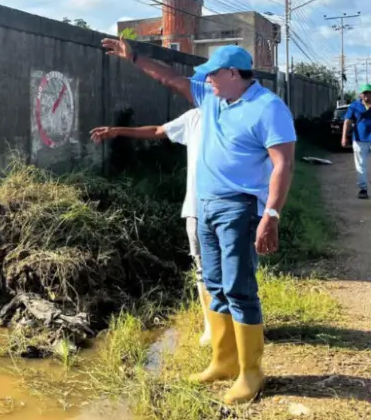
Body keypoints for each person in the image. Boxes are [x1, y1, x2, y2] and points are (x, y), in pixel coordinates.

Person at [100, 39, 296, 405]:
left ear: (233, 73)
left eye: (211, 75)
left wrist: (271, 214)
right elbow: (171, 79)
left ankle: (251, 372)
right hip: (205, 206)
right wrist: (136, 58)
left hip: (240, 208)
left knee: (240, 288)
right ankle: (223, 361)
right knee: (216, 285)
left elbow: (283, 164)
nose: (205, 82)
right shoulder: (213, 99)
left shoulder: (268, 108)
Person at [90, 104, 212, 347]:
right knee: (202, 271)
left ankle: (245, 325)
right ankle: (213, 327)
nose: (209, 86)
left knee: (235, 268)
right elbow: (158, 130)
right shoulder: (195, 116)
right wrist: (116, 131)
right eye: (206, 81)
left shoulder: (242, 115)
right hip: (196, 210)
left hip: (232, 210)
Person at [342, 84, 371, 199]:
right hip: (360, 139)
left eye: (369, 93)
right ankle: (363, 189)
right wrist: (344, 137)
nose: (367, 95)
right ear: (360, 94)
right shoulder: (355, 106)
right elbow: (347, 121)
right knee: (361, 165)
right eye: (364, 93)